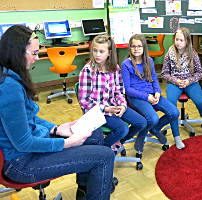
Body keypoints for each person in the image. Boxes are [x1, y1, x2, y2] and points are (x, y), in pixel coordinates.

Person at [0, 25, 114, 200]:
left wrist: (56, 129)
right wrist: (66, 143)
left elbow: (28, 118)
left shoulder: (12, 75)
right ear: (17, 52)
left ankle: (85, 191)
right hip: (22, 163)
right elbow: (24, 144)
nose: (37, 58)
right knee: (105, 156)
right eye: (34, 53)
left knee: (95, 133)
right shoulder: (9, 88)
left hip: (30, 148)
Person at [78, 34, 147, 155]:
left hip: (113, 106)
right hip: (96, 111)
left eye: (101, 51)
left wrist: (122, 105)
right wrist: (106, 108)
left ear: (109, 53)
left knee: (141, 122)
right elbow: (84, 101)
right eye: (95, 50)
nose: (97, 54)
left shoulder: (115, 68)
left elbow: (119, 91)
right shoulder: (87, 70)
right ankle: (103, 150)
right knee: (123, 129)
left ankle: (116, 143)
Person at [161, 27, 202, 138]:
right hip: (174, 83)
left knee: (201, 103)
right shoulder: (169, 53)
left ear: (187, 41)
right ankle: (176, 136)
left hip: (190, 82)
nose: (178, 42)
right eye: (176, 39)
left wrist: (188, 81)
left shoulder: (192, 53)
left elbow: (199, 73)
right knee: (171, 106)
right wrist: (176, 81)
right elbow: (164, 73)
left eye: (181, 40)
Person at [122, 34, 180, 151]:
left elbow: (153, 78)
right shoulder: (126, 64)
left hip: (152, 94)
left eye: (139, 46)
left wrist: (157, 91)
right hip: (136, 97)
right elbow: (127, 89)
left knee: (174, 112)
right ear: (130, 48)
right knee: (153, 119)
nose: (136, 49)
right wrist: (147, 97)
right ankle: (141, 136)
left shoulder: (149, 61)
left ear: (144, 47)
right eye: (133, 46)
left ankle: (155, 129)